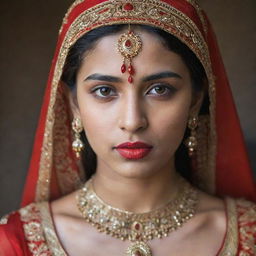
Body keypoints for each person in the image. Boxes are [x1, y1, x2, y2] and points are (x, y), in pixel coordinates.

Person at [0, 0, 255, 255]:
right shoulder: (16, 242)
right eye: (105, 91)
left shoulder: (248, 234)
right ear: (74, 104)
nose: (132, 121)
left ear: (194, 101)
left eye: (159, 89)